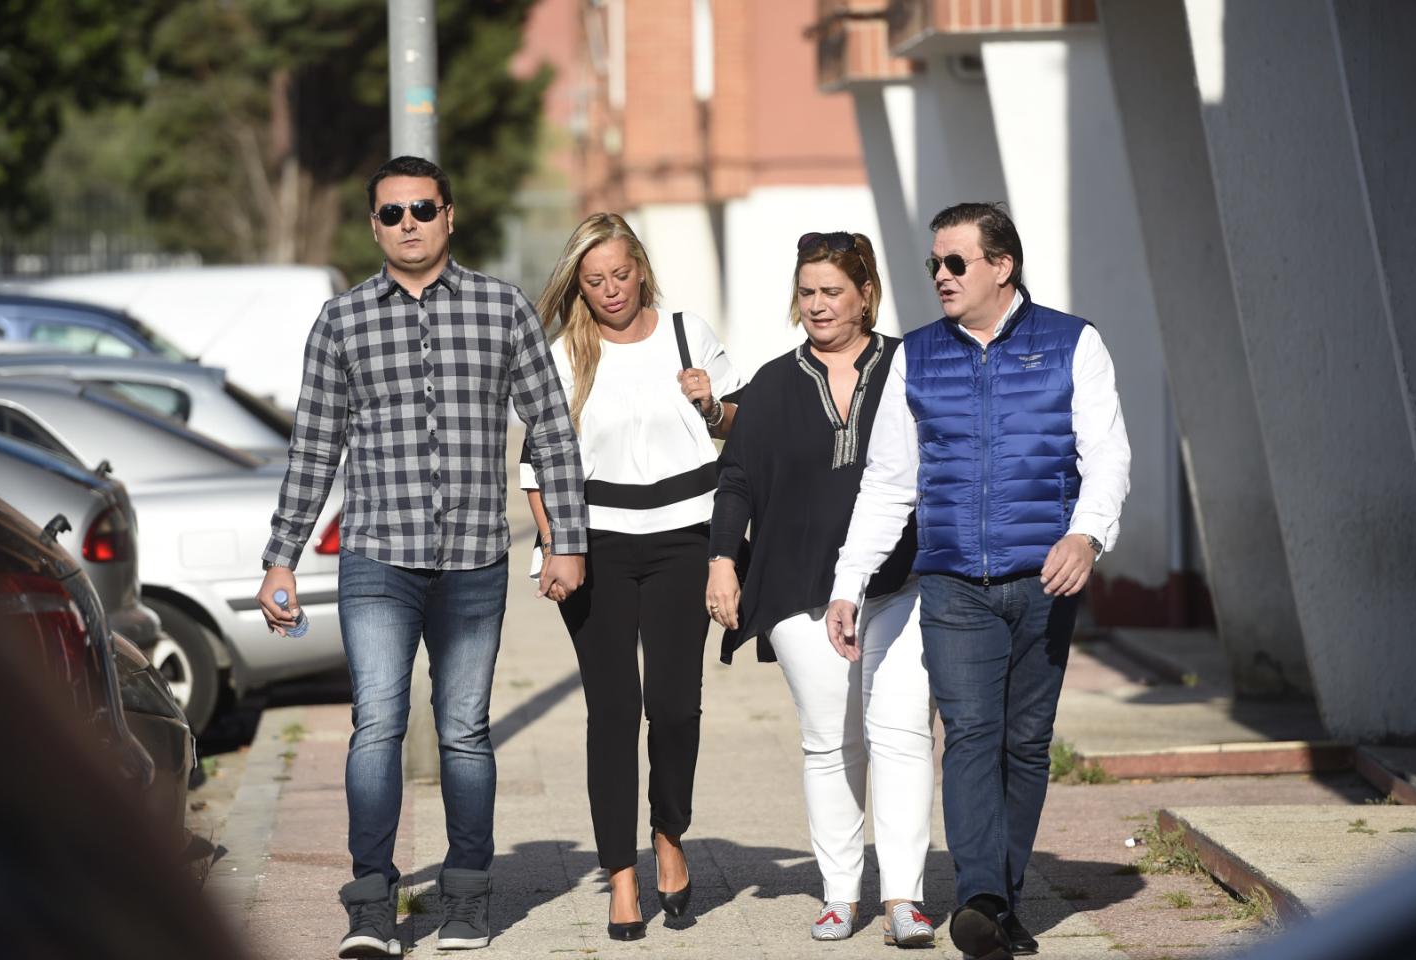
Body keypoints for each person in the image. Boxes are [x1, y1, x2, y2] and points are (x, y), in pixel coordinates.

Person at [255, 156, 589, 957]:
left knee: (464, 731)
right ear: (374, 227)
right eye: (393, 213)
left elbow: (550, 429)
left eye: (423, 209)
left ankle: (468, 897)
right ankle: (372, 905)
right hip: (378, 557)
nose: (409, 224)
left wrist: (566, 541)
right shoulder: (341, 321)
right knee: (377, 724)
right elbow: (314, 448)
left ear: (450, 216)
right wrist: (281, 557)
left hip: (475, 557)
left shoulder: (502, 308)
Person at [827, 203, 1131, 960]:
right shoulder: (917, 356)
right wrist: (849, 581)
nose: (940, 274)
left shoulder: (1073, 343)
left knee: (1025, 744)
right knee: (969, 733)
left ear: (1003, 266)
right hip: (952, 582)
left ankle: (1005, 901)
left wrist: (1087, 534)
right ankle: (981, 899)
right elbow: (888, 481)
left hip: (1045, 580)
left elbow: (1108, 455)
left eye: (956, 262)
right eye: (934, 262)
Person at [706, 231, 937, 947]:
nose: (817, 305)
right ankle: (840, 893)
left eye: (832, 291)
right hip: (797, 589)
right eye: (806, 292)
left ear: (865, 294)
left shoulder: (910, 368)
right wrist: (722, 561)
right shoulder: (775, 382)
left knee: (901, 733)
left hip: (903, 583)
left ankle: (905, 897)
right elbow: (737, 479)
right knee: (831, 740)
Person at [521, 211, 744, 941]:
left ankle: (669, 833)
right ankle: (621, 874)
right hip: (598, 548)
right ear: (578, 286)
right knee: (614, 712)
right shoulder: (564, 355)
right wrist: (556, 545)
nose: (611, 289)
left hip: (685, 538)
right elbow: (536, 467)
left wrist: (710, 403)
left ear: (641, 269)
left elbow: (739, 427)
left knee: (674, 706)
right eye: (595, 280)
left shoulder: (686, 333)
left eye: (620, 274)